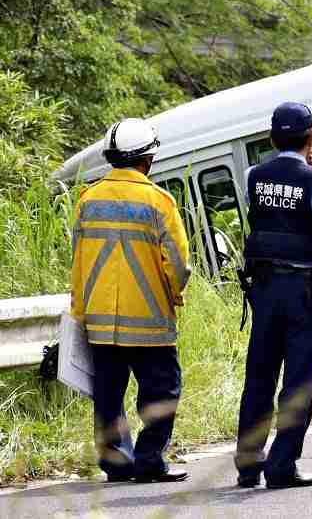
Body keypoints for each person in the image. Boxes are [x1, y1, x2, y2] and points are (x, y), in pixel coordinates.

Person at [234, 102, 312, 489]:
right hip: (306, 292)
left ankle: (249, 464)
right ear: (311, 137)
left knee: (259, 377)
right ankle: (281, 467)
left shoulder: (254, 176)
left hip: (265, 289)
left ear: (272, 138)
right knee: (298, 382)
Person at [69, 118, 191, 483]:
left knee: (108, 395)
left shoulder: (87, 201)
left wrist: (80, 313)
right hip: (150, 321)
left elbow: (77, 260)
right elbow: (178, 264)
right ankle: (149, 460)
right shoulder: (159, 202)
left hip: (101, 322)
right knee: (162, 390)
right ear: (148, 159)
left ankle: (117, 463)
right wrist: (174, 295)